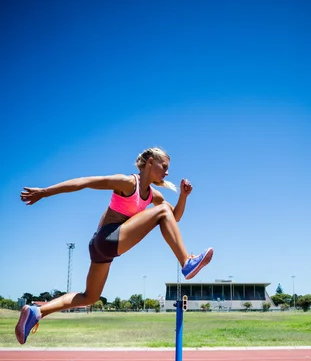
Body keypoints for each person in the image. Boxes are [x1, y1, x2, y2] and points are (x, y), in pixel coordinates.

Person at [15, 147, 213, 344]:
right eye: (164, 166)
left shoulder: (153, 195)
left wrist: (183, 198)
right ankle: (186, 261)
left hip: (100, 249)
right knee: (162, 211)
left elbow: (174, 217)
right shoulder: (127, 182)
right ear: (151, 162)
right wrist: (44, 192)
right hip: (107, 238)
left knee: (89, 297)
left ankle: (37, 311)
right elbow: (84, 182)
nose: (167, 172)